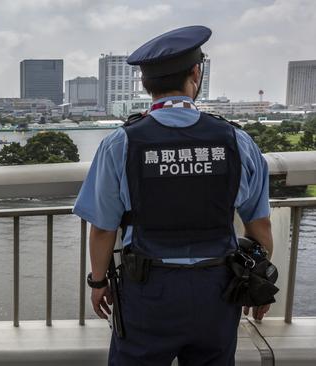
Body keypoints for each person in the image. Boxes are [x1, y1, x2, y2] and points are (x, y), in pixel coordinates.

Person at [73, 26, 273, 365]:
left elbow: (103, 228)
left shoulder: (121, 143)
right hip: (219, 289)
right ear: (196, 73)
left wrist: (98, 281)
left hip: (150, 290)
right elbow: (260, 225)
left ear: (145, 83)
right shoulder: (236, 141)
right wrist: (260, 277)